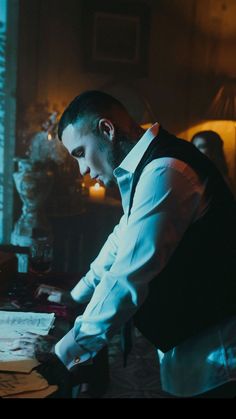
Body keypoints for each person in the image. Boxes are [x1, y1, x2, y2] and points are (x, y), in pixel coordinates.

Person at [32, 90, 236, 398]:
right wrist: (76, 294)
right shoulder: (151, 165)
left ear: (107, 129)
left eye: (80, 154)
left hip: (216, 354)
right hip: (192, 348)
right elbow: (121, 238)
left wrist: (65, 354)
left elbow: (128, 276)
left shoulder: (165, 171)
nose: (82, 171)